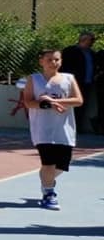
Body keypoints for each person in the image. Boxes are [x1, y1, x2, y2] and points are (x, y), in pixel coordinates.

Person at [23, 49, 83, 210]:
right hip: (43, 129)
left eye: (56, 59)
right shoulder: (34, 79)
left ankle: (46, 180)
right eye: (49, 59)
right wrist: (46, 103)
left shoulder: (69, 78)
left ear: (61, 61)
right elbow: (28, 102)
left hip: (65, 129)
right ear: (41, 61)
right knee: (48, 163)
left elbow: (78, 100)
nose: (53, 62)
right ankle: (49, 193)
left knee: (62, 166)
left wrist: (57, 101)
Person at [61, 31, 98, 134]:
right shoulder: (70, 51)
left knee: (82, 106)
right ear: (83, 39)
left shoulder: (91, 53)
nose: (93, 43)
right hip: (73, 83)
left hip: (87, 83)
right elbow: (63, 67)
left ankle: (77, 127)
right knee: (71, 105)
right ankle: (68, 127)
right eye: (91, 40)